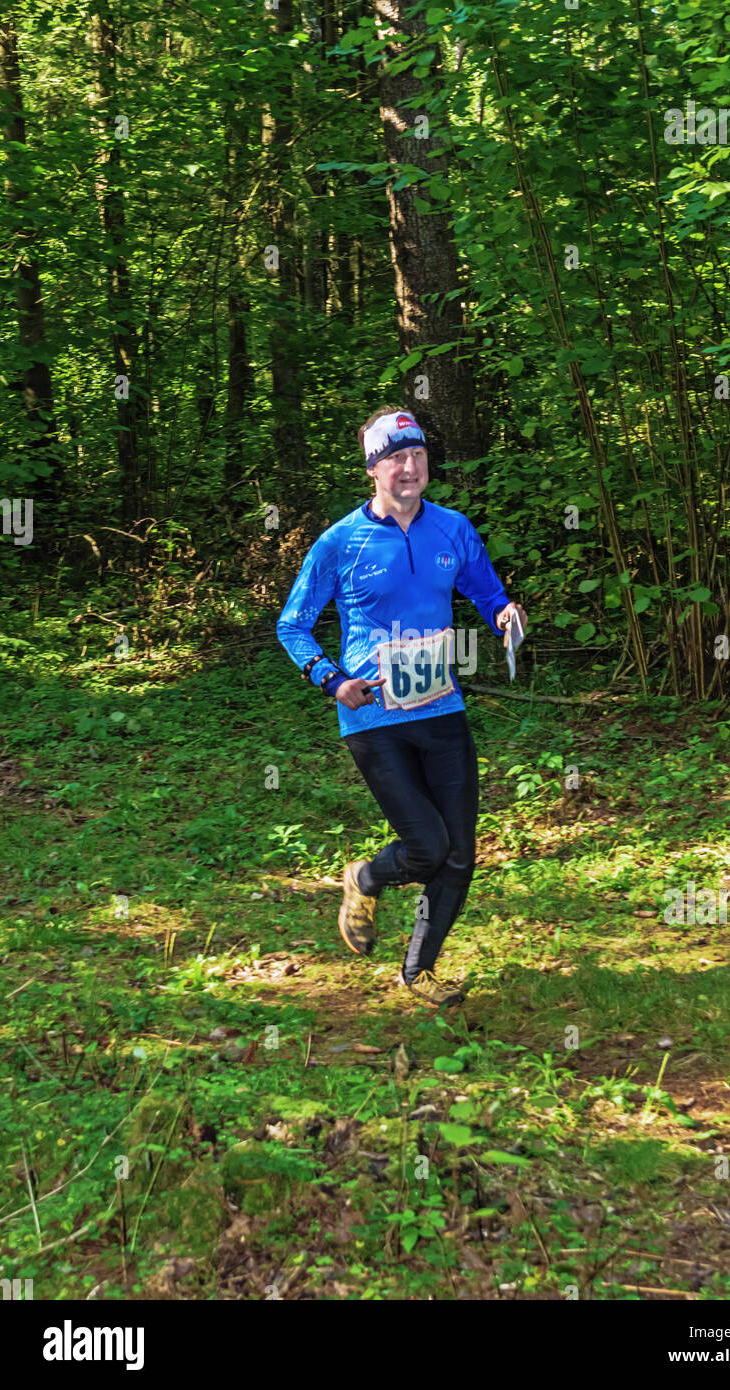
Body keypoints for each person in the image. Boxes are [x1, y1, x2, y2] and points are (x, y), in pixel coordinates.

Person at [276, 405, 528, 1007]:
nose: (408, 467)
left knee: (461, 853)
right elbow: (293, 625)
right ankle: (364, 878)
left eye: (416, 455)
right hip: (373, 717)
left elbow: (486, 591)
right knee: (427, 847)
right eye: (394, 458)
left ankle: (419, 973)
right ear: (373, 470)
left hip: (440, 705)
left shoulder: (453, 528)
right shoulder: (340, 542)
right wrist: (332, 680)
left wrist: (502, 614)